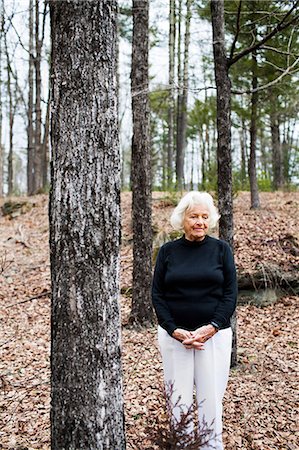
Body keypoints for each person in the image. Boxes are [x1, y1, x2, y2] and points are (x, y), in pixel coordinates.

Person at [152, 191, 237, 450]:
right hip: (175, 338)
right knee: (178, 400)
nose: (199, 221)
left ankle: (211, 446)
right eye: (193, 216)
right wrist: (174, 330)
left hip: (213, 337)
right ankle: (182, 445)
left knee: (210, 398)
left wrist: (211, 328)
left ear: (210, 219)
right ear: (183, 219)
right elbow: (157, 294)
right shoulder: (168, 251)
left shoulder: (221, 250)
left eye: (204, 216)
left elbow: (230, 293)